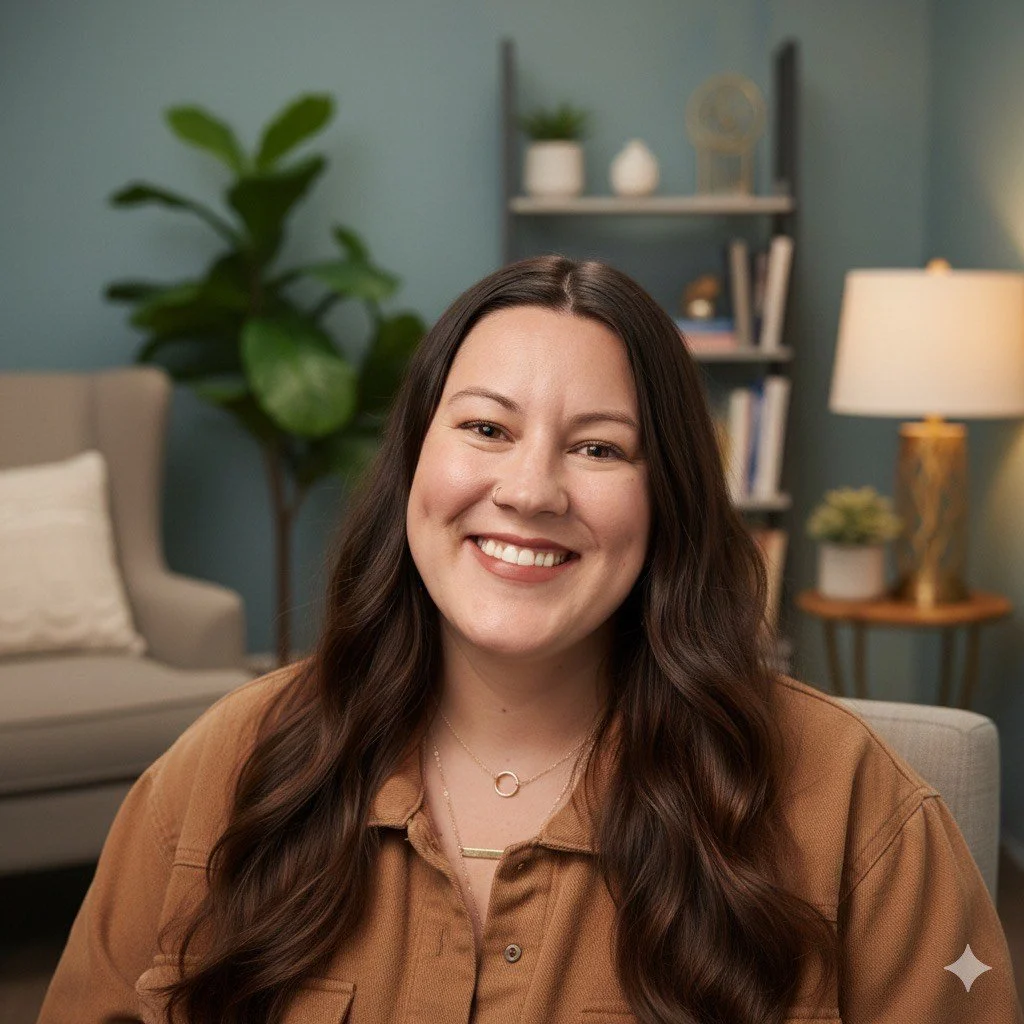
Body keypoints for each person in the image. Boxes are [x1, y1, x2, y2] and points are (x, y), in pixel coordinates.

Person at [38, 255, 1021, 1024]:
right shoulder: (223, 770)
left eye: (598, 447)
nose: (530, 490)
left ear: (666, 497)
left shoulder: (853, 806)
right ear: (413, 462)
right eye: (485, 428)